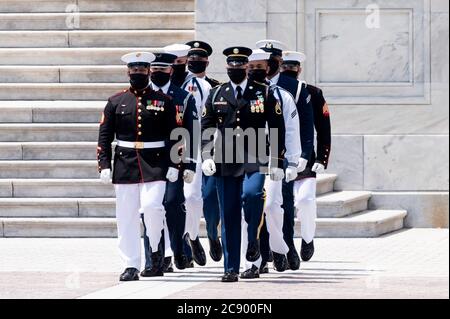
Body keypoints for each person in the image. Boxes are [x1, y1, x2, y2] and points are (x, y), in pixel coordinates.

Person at [201, 46, 286, 282]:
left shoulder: (264, 92)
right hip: (226, 157)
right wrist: (207, 155)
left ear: (247, 68)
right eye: (231, 66)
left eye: (240, 66)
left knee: (252, 195)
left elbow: (277, 126)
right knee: (228, 213)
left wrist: (278, 160)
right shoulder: (217, 93)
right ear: (227, 68)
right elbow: (207, 125)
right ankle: (230, 268)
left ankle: (253, 238)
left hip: (256, 152)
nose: (235, 69)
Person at [97, 51, 179, 280]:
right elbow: (104, 135)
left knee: (152, 208)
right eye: (134, 71)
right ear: (128, 73)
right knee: (126, 217)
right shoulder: (116, 101)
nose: (138, 74)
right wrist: (103, 164)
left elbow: (175, 134)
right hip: (125, 162)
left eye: (142, 71)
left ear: (149, 72)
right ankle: (131, 265)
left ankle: (155, 251)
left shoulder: (164, 101)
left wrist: (175, 163)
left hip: (156, 162)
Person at [240, 49, 302, 279]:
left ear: (268, 68)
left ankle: (279, 248)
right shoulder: (239, 94)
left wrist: (293, 161)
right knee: (252, 207)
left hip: (274, 159)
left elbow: (291, 130)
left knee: (271, 207)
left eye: (259, 67)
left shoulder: (281, 95)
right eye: (251, 67)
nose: (254, 71)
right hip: (247, 159)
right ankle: (255, 260)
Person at [256, 39, 315, 270]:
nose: (269, 66)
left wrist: (300, 156)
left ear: (279, 63)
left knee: (283, 204)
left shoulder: (294, 87)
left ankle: (285, 245)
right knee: (257, 205)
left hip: (282, 156)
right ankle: (261, 253)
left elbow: (303, 125)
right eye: (265, 61)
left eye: (273, 61)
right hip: (255, 153)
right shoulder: (250, 84)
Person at [140, 52, 199, 276]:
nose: (157, 73)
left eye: (162, 70)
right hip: (148, 160)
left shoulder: (183, 97)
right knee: (150, 209)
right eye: (154, 69)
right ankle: (155, 258)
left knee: (173, 204)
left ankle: (178, 247)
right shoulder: (142, 95)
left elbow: (191, 131)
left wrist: (190, 164)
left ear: (171, 71)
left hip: (176, 158)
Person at [280, 51, 332, 261]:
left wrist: (321, 157)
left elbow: (323, 127)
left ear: (299, 69)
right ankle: (285, 245)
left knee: (306, 200)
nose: (289, 71)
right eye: (285, 67)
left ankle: (308, 238)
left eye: (292, 68)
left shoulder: (312, 92)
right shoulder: (271, 91)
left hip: (305, 157)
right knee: (279, 205)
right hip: (280, 155)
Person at [185, 40, 223, 262]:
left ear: (207, 61)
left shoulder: (215, 86)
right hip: (186, 142)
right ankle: (191, 237)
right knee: (190, 196)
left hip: (210, 143)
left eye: (200, 59)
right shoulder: (179, 85)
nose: (195, 62)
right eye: (192, 59)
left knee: (210, 196)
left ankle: (212, 234)